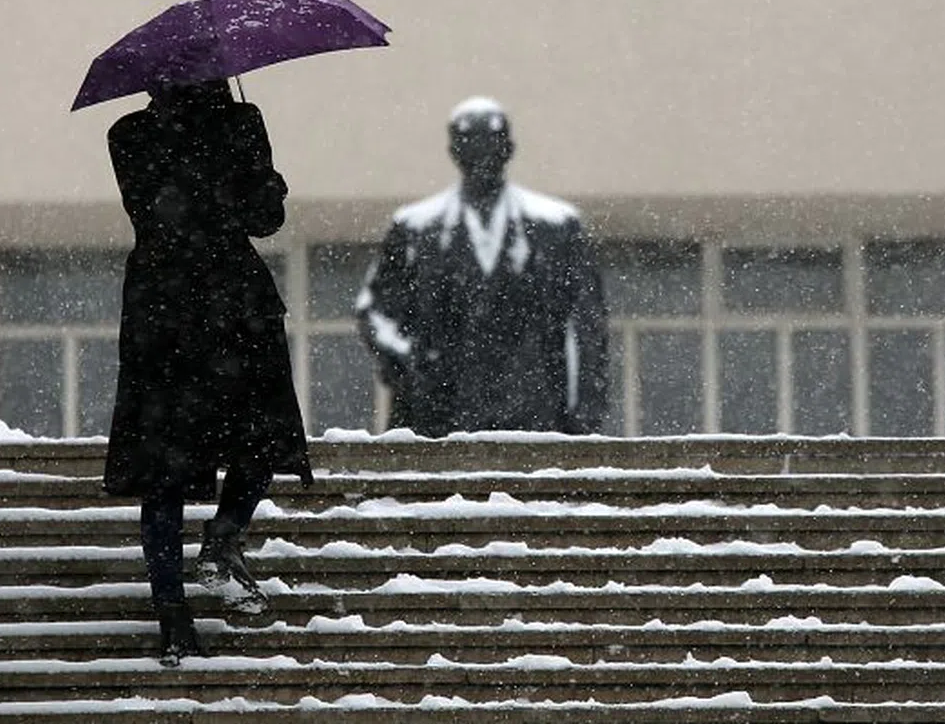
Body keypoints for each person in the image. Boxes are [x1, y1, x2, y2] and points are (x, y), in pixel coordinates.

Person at [102, 78, 313, 666]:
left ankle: (176, 613)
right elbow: (259, 219)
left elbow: (169, 213)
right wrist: (263, 184)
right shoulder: (238, 124)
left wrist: (254, 187)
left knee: (168, 469)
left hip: (166, 306)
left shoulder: (131, 133)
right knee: (256, 436)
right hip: (223, 300)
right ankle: (218, 544)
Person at [356, 96, 609, 437]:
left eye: (491, 146)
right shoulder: (416, 229)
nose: (481, 158)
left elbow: (587, 328)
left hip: (535, 419)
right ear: (453, 153)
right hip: (440, 419)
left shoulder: (557, 228)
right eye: (470, 148)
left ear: (509, 150)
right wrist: (410, 364)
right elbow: (374, 311)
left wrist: (584, 418)